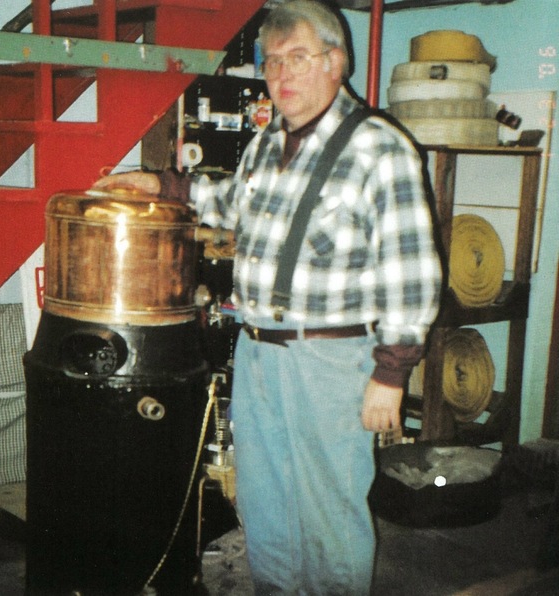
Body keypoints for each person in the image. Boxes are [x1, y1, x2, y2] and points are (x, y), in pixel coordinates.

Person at [95, 1, 442, 593]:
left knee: (329, 514)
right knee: (264, 504)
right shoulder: (267, 142)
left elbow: (411, 271)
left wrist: (391, 372)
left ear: (336, 62)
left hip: (330, 363)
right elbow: (231, 202)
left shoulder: (380, 149)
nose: (280, 75)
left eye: (297, 58)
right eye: (272, 61)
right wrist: (161, 183)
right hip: (258, 354)